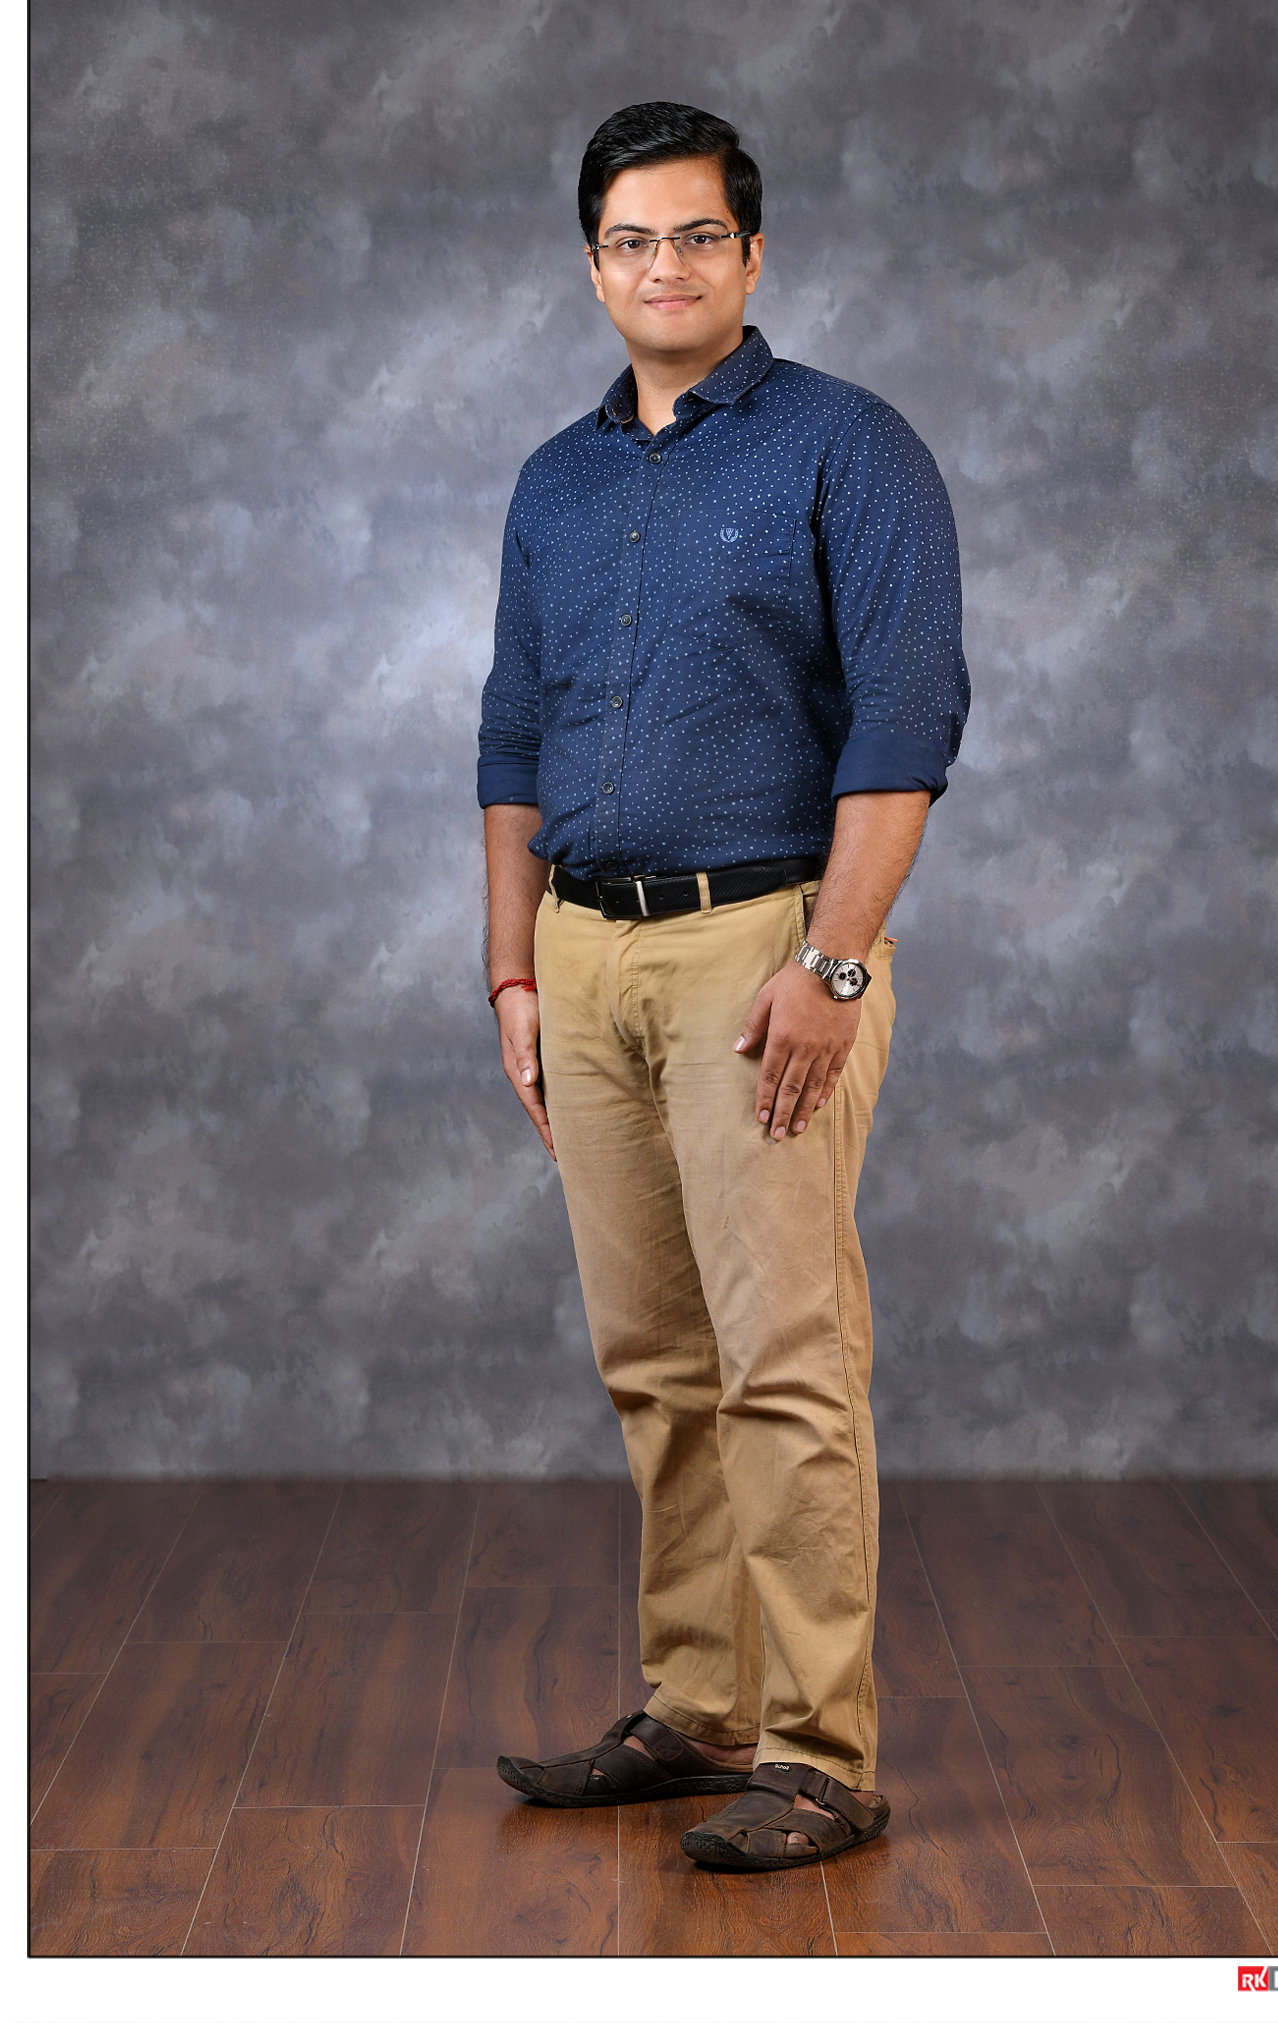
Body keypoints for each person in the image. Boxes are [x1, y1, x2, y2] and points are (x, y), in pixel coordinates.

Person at [478, 101, 968, 1871]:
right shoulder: (557, 480)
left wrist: (835, 961)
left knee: (781, 1362)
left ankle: (825, 1756)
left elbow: (906, 719)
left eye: (697, 235)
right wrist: (511, 970)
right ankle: (700, 1709)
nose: (664, 267)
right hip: (583, 954)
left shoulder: (851, 446)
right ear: (591, 264)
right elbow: (513, 734)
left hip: (767, 950)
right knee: (657, 1363)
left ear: (752, 255)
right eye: (632, 240)